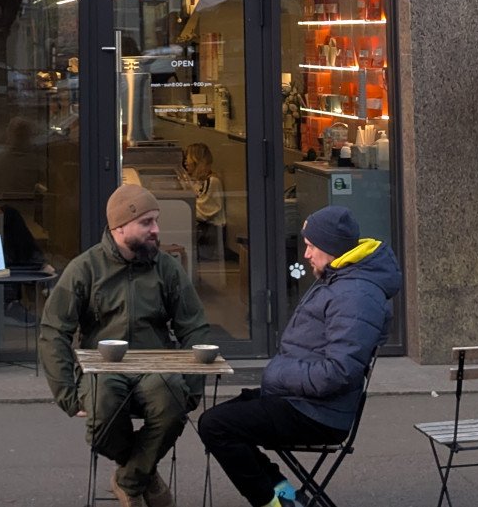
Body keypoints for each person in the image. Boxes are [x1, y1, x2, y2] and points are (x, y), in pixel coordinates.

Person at [198, 205, 401, 507]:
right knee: (224, 418)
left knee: (216, 425)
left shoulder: (356, 295)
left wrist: (278, 374)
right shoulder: (344, 280)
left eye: (311, 246)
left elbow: (338, 371)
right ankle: (285, 497)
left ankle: (275, 503)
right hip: (308, 403)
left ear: (331, 248)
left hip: (319, 414)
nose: (306, 255)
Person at [39, 183, 211, 507]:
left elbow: (195, 327)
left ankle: (129, 479)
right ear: (120, 227)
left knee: (171, 400)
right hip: (104, 368)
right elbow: (53, 331)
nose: (156, 230)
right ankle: (143, 471)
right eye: (147, 222)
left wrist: (192, 384)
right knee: (102, 408)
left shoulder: (166, 268)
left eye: (156, 221)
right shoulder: (85, 269)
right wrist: (66, 393)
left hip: (155, 366)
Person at [181, 142, 227, 261]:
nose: (185, 162)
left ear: (197, 160)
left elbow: (205, 212)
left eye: (188, 158)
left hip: (208, 233)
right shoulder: (198, 181)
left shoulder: (212, 181)